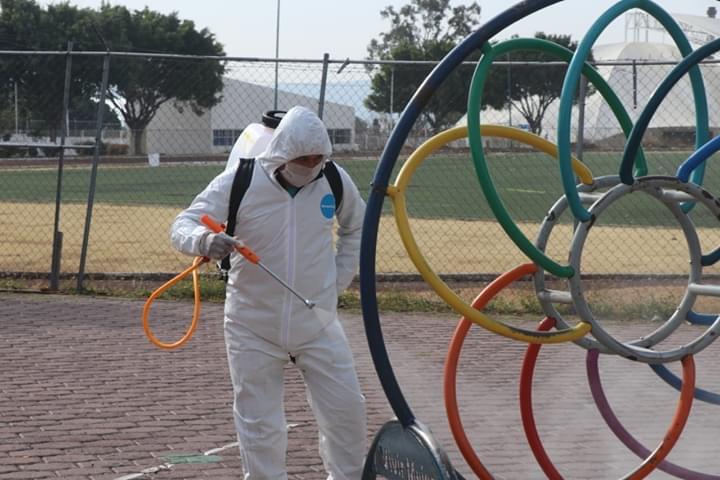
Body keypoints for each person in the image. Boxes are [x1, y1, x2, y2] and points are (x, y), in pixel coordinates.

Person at [170, 105, 367, 479]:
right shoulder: (241, 180)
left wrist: (336, 281)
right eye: (302, 158)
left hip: (319, 323)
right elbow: (182, 223)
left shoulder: (334, 180)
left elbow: (357, 227)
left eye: (317, 158)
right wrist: (204, 239)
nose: (310, 166)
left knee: (347, 413)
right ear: (282, 152)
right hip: (252, 324)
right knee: (261, 427)